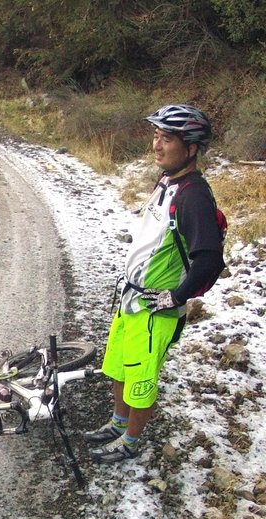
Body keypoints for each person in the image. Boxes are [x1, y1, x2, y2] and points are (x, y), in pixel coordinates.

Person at [85, 104, 225, 463]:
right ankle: (118, 423)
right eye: (156, 136)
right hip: (132, 301)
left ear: (191, 148)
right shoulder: (167, 180)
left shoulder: (193, 195)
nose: (157, 145)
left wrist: (176, 296)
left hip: (154, 312)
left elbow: (209, 259)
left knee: (141, 382)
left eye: (167, 139)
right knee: (118, 367)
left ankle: (130, 443)